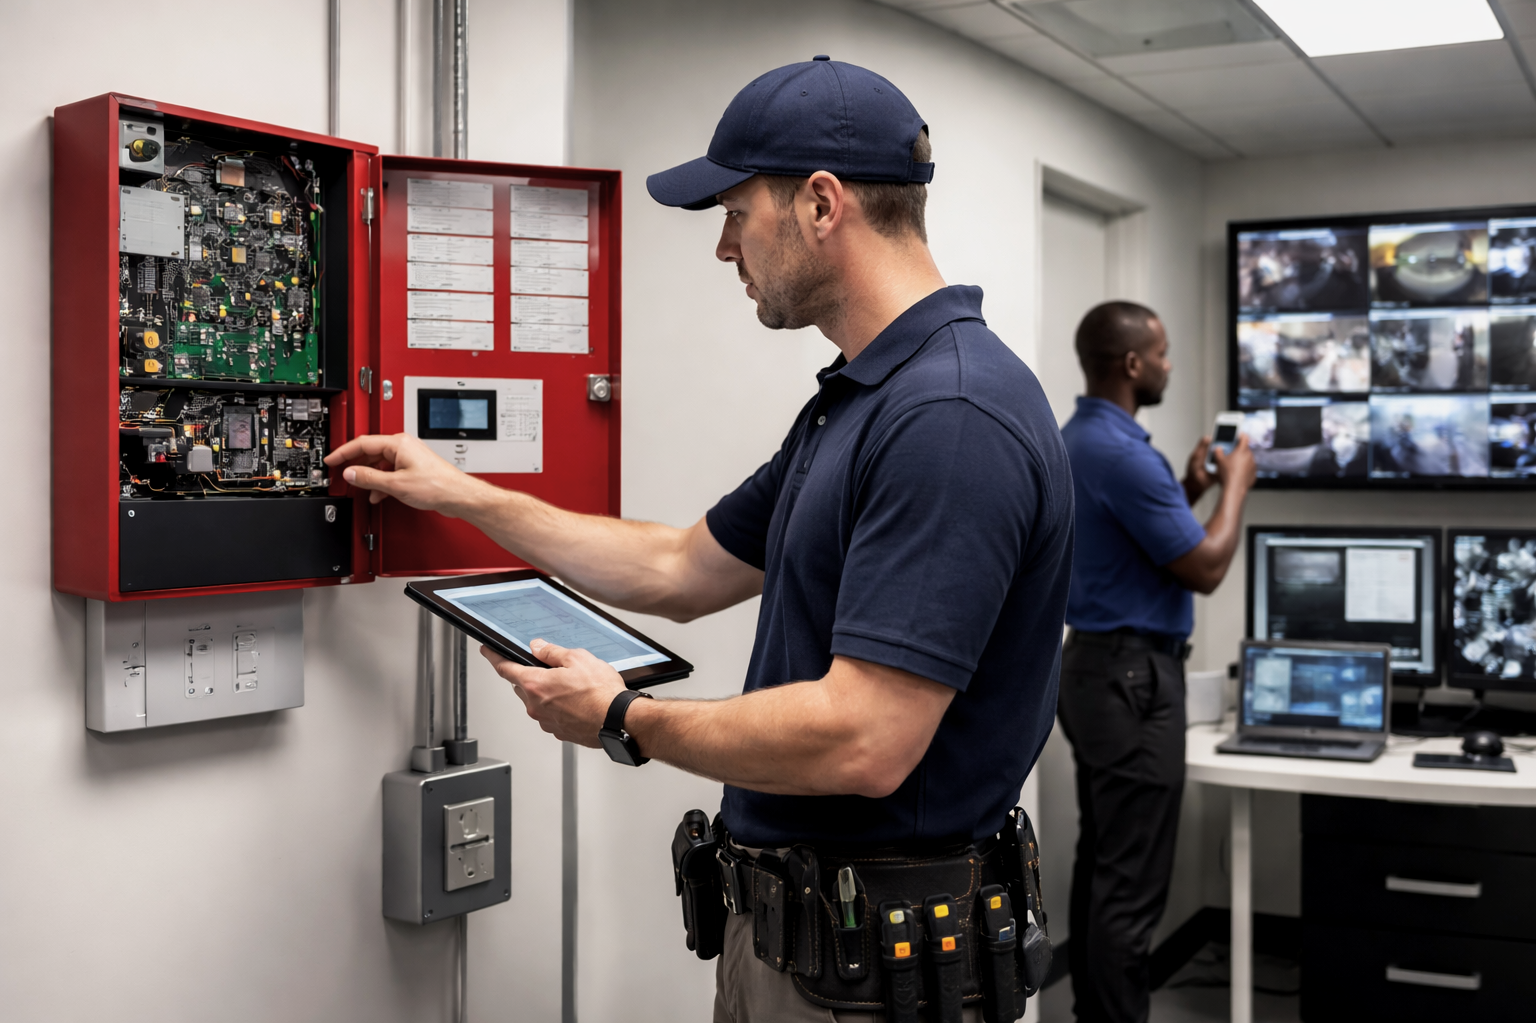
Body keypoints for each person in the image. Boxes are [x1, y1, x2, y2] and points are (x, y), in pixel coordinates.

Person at [327, 56, 1074, 1022]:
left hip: (873, 979)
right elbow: (680, 567)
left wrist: (623, 719)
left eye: (733, 211)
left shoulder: (950, 417)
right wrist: (461, 493)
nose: (724, 247)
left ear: (819, 203)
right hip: (796, 944)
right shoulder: (859, 401)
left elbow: (867, 738)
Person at [1055, 301, 1256, 1023]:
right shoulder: (1122, 453)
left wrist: (1193, 488)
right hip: (1133, 679)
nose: (1171, 363)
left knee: (1107, 863)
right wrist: (1237, 486)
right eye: (1164, 353)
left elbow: (1135, 537)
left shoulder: (1083, 438)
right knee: (1131, 886)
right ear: (1134, 363)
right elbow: (1202, 567)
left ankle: (1094, 1012)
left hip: (1093, 671)